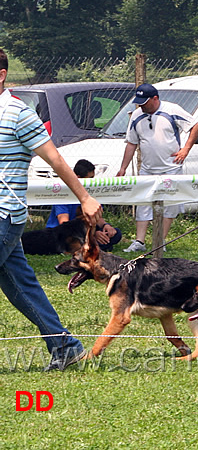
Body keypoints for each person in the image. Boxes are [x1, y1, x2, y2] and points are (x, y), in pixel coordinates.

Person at [0, 48, 102, 371]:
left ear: (1, 75)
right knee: (21, 287)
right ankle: (65, 346)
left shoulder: (17, 113)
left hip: (5, 215)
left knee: (20, 286)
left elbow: (56, 159)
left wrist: (84, 198)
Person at [116, 84, 198, 252]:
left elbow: (196, 125)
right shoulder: (136, 115)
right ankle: (139, 242)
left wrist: (185, 149)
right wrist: (123, 168)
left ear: (155, 99)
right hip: (147, 169)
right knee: (143, 203)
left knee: (170, 204)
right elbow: (132, 143)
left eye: (145, 102)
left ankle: (159, 242)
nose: (141, 106)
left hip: (172, 168)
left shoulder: (172, 109)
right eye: (139, 102)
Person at [46, 159, 121, 252]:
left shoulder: (91, 193)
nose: (92, 182)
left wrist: (106, 226)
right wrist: (93, 235)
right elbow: (64, 224)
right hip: (64, 234)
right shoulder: (63, 194)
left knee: (116, 234)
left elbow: (97, 217)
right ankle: (96, 245)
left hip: (84, 233)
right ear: (78, 178)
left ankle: (95, 245)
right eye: (89, 178)